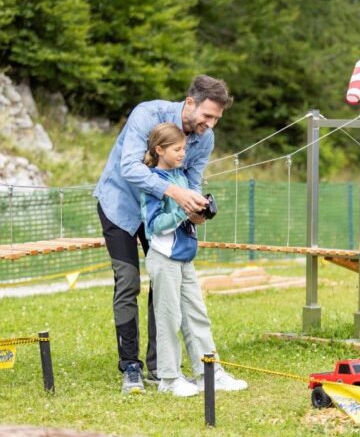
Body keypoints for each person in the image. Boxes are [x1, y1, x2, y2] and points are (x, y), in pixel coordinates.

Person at [94, 75, 231, 394]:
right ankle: (130, 366)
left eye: (216, 119)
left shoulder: (204, 138)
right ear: (190, 103)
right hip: (121, 205)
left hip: (162, 213)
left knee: (165, 282)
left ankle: (159, 369)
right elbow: (129, 167)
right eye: (207, 116)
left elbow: (193, 180)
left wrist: (194, 205)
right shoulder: (148, 114)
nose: (210, 124)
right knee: (128, 281)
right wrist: (174, 191)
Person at [140, 123, 247, 397]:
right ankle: (169, 378)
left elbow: (186, 214)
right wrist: (183, 210)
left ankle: (208, 373)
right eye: (177, 149)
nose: (182, 154)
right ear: (159, 150)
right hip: (164, 259)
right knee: (169, 318)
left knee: (197, 316)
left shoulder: (182, 176)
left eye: (184, 149)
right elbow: (154, 226)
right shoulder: (152, 182)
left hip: (185, 258)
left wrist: (198, 213)